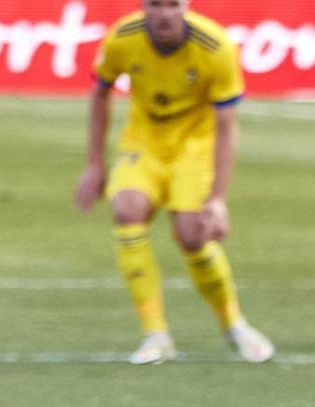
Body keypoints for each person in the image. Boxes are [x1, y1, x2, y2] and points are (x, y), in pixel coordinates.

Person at [74, 0, 274, 365]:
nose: (164, 14)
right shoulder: (122, 38)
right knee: (126, 209)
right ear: (142, 7)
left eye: (173, 5)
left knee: (192, 235)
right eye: (155, 5)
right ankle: (156, 335)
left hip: (194, 145)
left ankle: (234, 324)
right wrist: (93, 164)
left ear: (187, 6)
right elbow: (100, 91)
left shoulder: (216, 46)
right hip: (144, 141)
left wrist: (218, 198)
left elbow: (227, 126)